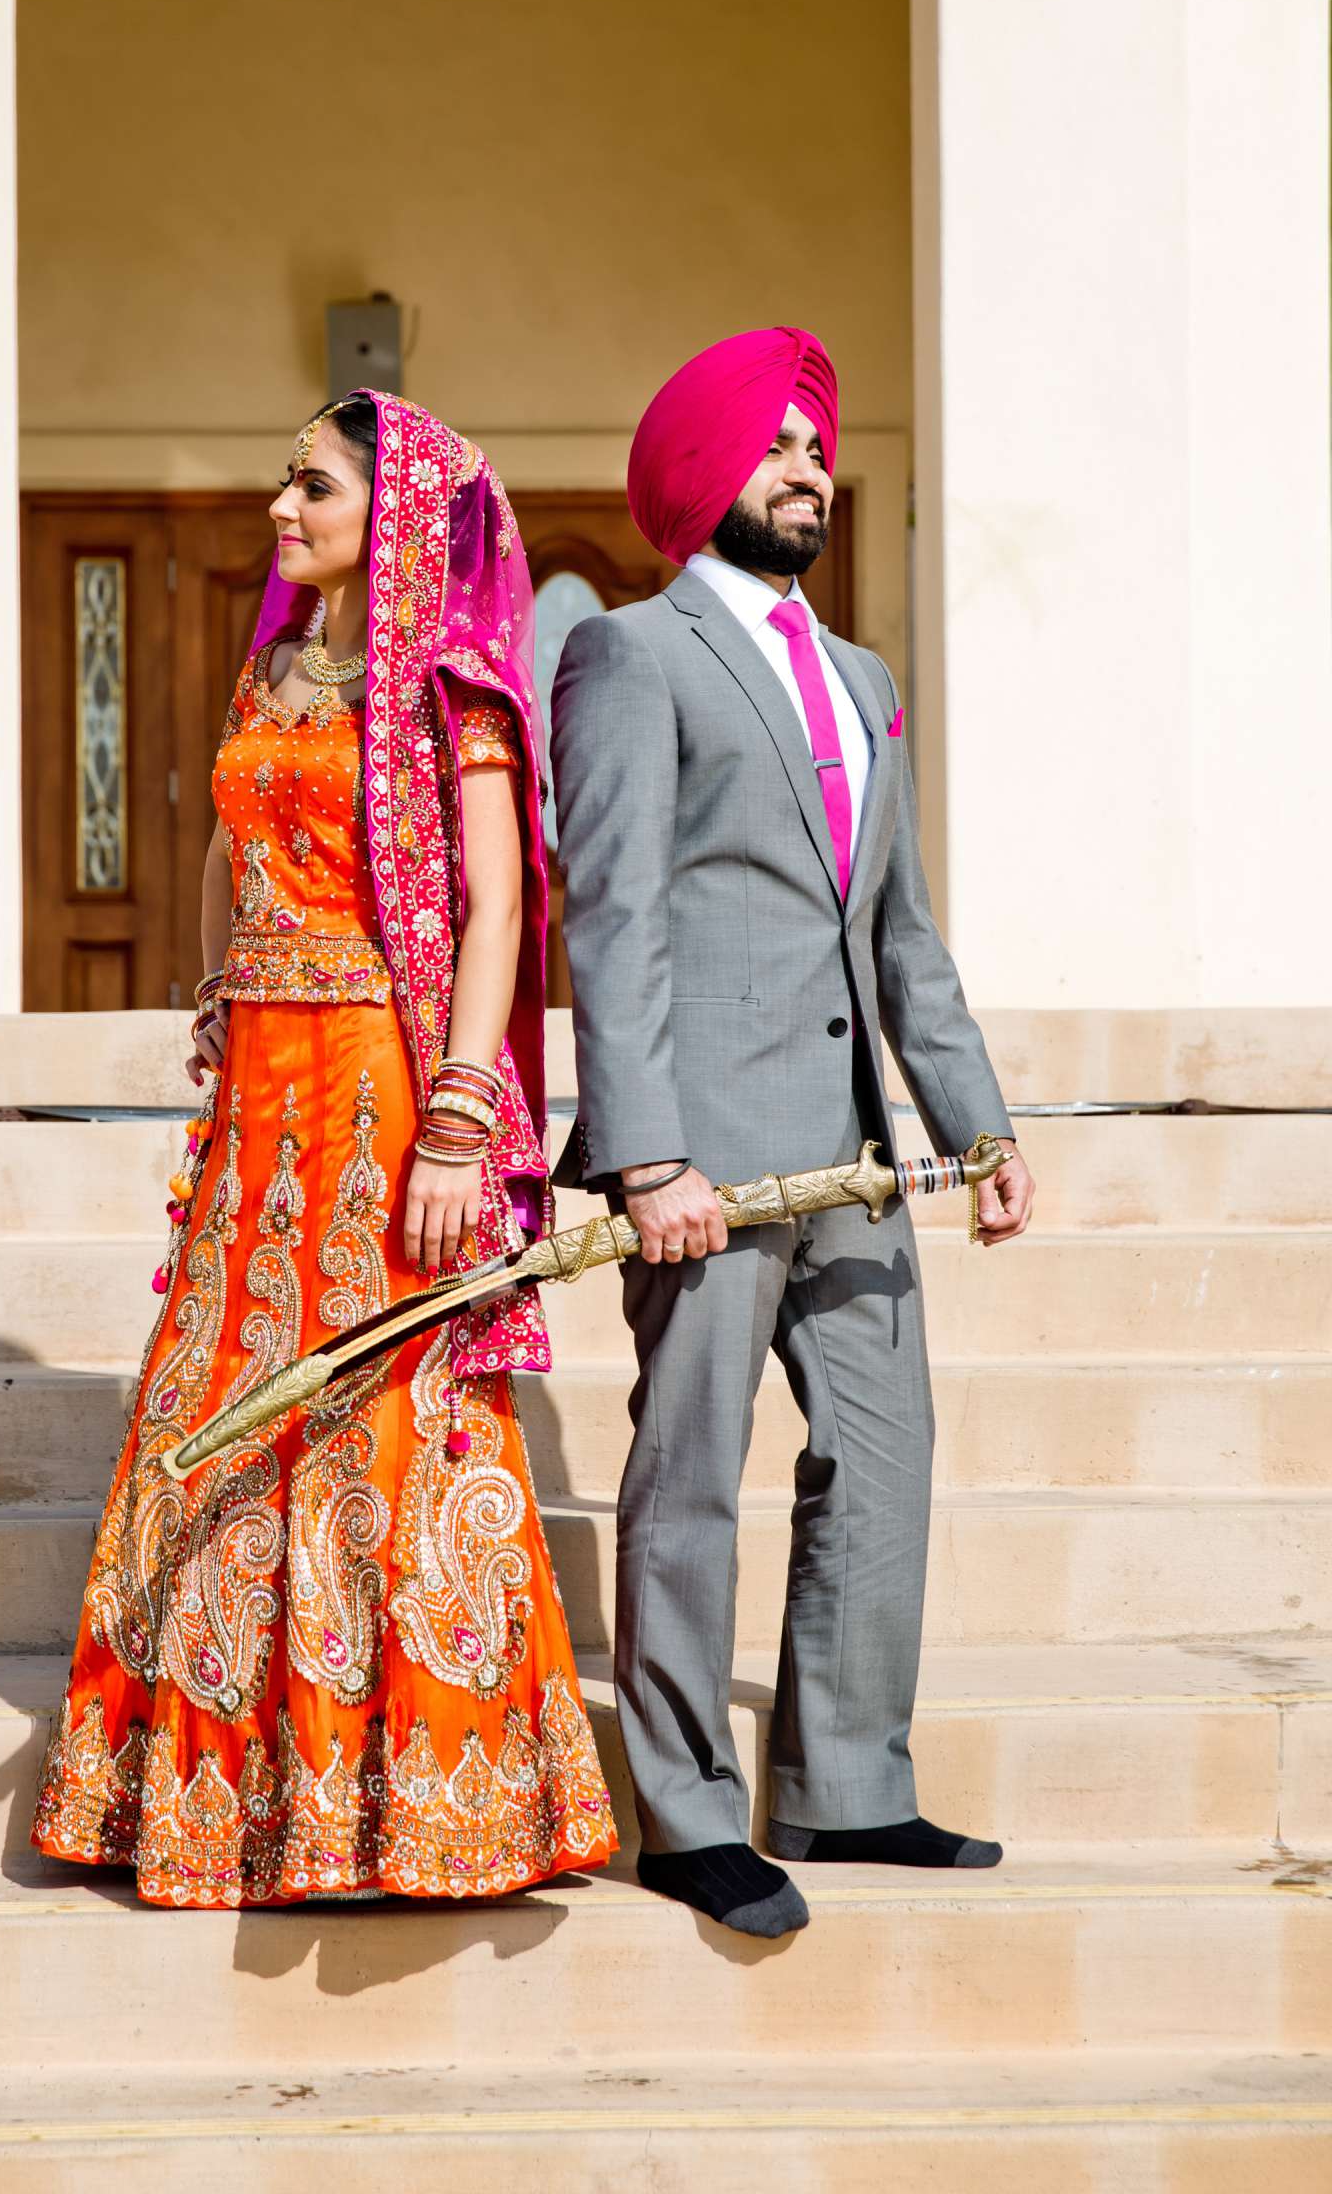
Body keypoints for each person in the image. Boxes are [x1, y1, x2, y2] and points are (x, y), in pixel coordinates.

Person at [33, 390, 616, 1905]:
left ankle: (417, 1801)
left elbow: (497, 908)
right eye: (282, 481)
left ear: (396, 507)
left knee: (381, 1415)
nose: (280, 510)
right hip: (260, 1105)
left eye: (312, 485)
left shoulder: (454, 693)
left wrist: (462, 1119)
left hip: (377, 1081)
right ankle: (221, 1793)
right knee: (221, 1406)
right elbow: (234, 856)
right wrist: (229, 989)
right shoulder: (277, 671)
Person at [549, 326, 1034, 1939]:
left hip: (857, 1158)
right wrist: (644, 1156)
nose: (806, 469)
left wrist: (977, 1127)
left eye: (817, 445)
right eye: (773, 445)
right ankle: (686, 1815)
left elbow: (899, 932)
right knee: (691, 1475)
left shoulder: (869, 680)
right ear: (702, 475)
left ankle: (845, 1787)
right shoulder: (633, 653)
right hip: (706, 1155)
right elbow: (611, 923)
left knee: (884, 1456)